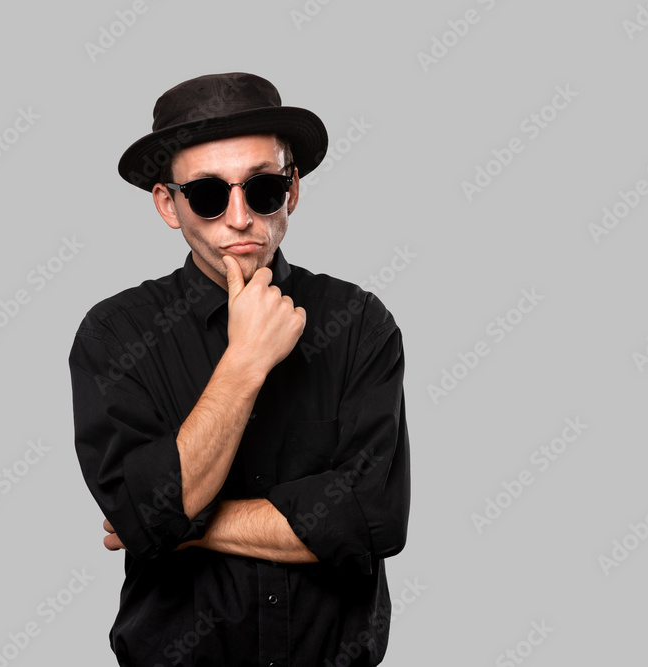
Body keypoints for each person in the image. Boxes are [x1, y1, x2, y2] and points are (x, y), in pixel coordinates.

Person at [69, 72, 410, 667]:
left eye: (263, 188)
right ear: (167, 205)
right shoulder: (114, 334)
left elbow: (371, 520)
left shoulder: (358, 322)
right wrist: (245, 361)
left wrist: (182, 525)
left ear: (293, 190)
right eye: (206, 194)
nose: (240, 217)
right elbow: (149, 511)